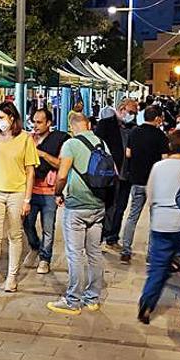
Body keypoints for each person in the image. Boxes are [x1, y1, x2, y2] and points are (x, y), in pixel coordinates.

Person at [0, 102, 39, 297]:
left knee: (15, 235)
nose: (0, 122)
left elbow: (30, 171)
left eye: (2, 117)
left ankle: (12, 276)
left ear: (12, 117)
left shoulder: (25, 139)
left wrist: (27, 199)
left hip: (17, 193)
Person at [47, 113, 106, 315]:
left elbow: (62, 175)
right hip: (98, 205)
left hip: (77, 206)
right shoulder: (101, 143)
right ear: (88, 125)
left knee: (75, 254)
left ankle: (73, 300)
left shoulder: (71, 144)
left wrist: (57, 193)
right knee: (95, 252)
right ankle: (92, 298)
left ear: (72, 127)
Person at [137, 130, 180, 324]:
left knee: (158, 267)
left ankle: (146, 303)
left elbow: (150, 194)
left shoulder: (158, 167)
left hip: (160, 223)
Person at [119, 106, 168, 264]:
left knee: (133, 216)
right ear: (157, 119)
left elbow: (128, 154)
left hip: (137, 179)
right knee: (155, 218)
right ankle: (151, 254)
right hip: (155, 182)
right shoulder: (160, 135)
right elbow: (164, 158)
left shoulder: (134, 132)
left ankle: (126, 251)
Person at [23, 109, 68, 274]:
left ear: (49, 123)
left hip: (49, 191)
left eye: (39, 122)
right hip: (30, 190)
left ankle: (44, 258)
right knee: (26, 222)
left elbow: (60, 164)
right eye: (34, 122)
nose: (35, 125)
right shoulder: (28, 139)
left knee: (48, 227)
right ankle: (34, 246)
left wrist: (42, 154)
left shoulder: (59, 140)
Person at [101, 99, 139, 250]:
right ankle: (101, 235)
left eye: (135, 113)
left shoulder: (134, 128)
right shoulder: (106, 125)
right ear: (122, 109)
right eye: (131, 112)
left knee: (121, 207)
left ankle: (112, 236)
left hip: (126, 174)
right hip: (109, 174)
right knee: (108, 206)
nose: (133, 115)